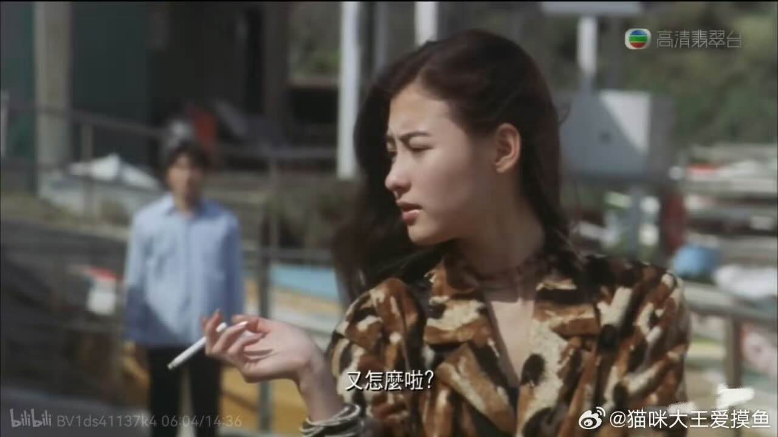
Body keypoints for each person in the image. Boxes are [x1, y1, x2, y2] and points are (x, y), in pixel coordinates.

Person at [201, 30, 691, 436]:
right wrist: (313, 376)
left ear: (502, 149)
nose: (394, 177)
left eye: (417, 147)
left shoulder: (637, 305)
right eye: (391, 152)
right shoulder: (387, 324)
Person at [123, 140, 245, 437]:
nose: (187, 175)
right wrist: (135, 335)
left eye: (194, 167)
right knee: (163, 417)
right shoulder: (147, 222)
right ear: (168, 173)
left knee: (207, 418)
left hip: (208, 338)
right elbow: (136, 279)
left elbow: (234, 282)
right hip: (162, 335)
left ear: (204, 173)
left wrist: (233, 335)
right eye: (179, 167)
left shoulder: (224, 224)